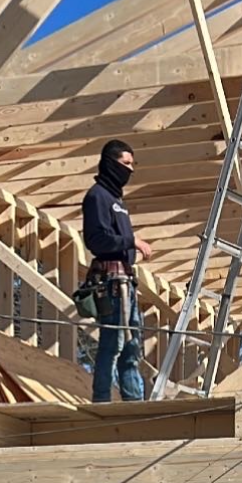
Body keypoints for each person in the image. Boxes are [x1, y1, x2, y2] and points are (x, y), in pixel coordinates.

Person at [81, 141, 153, 403]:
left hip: (125, 282)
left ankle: (134, 404)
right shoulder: (97, 197)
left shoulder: (117, 202)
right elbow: (96, 240)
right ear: (110, 163)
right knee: (113, 344)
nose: (130, 170)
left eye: (132, 164)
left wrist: (129, 246)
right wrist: (131, 242)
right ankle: (101, 401)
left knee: (132, 347)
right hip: (111, 283)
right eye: (125, 164)